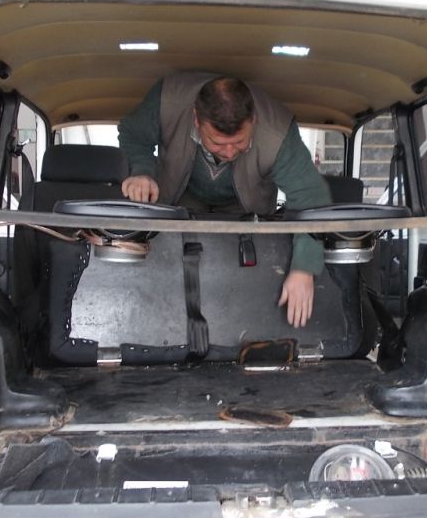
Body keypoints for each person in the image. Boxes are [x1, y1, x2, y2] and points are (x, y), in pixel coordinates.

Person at [117, 72, 331, 328]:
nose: (229, 153)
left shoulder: (278, 131)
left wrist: (304, 269)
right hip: (177, 206)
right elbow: (133, 134)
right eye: (217, 142)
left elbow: (310, 196)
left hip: (246, 215)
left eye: (239, 142)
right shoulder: (167, 100)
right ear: (196, 119)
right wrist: (142, 171)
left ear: (253, 120)